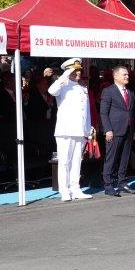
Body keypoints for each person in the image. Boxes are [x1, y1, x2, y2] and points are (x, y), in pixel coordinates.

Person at [47, 59, 94, 202]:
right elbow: (51, 90)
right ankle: (64, 190)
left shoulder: (81, 88)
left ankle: (75, 188)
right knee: (64, 161)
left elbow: (85, 111)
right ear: (68, 70)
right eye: (75, 70)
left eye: (79, 70)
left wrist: (88, 129)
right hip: (65, 130)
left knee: (76, 161)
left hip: (79, 130)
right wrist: (65, 75)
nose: (79, 72)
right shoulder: (62, 84)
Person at [99, 65, 135, 196]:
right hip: (114, 130)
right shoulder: (108, 91)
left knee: (124, 157)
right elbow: (104, 112)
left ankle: (122, 182)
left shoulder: (131, 92)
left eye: (127, 74)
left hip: (128, 129)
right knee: (111, 158)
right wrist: (108, 129)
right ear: (115, 76)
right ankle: (108, 185)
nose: (127, 76)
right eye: (124, 75)